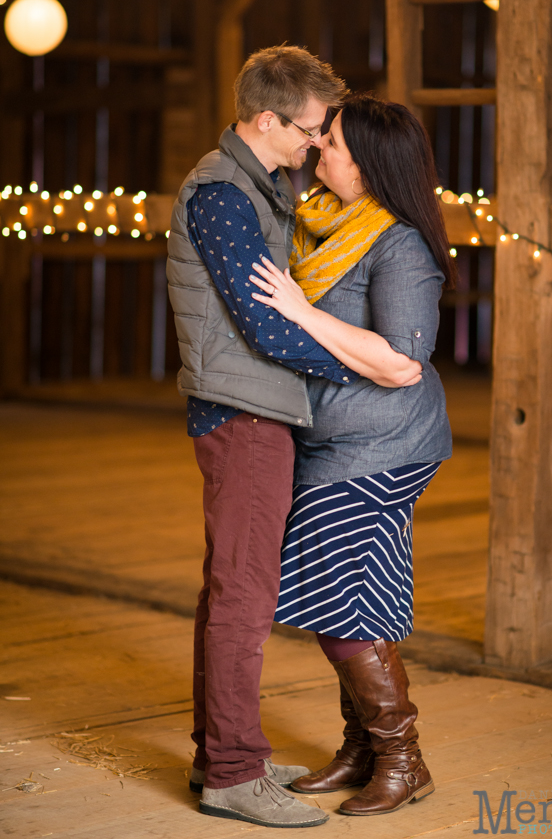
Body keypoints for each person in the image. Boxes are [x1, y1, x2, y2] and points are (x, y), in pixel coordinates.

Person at [167, 46, 360, 829]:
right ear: (266, 119)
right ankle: (235, 775)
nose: (317, 144)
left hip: (251, 406)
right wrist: (362, 367)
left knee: (230, 587)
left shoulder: (260, 187)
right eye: (310, 130)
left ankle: (223, 752)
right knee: (245, 593)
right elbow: (262, 321)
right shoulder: (221, 193)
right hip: (244, 411)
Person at [248, 93, 455, 818]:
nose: (316, 150)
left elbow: (402, 362)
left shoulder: (398, 243)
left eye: (329, 142)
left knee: (337, 592)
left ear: (366, 166)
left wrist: (299, 312)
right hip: (337, 437)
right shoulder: (320, 224)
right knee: (359, 590)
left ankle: (403, 758)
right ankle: (362, 747)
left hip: (385, 442)